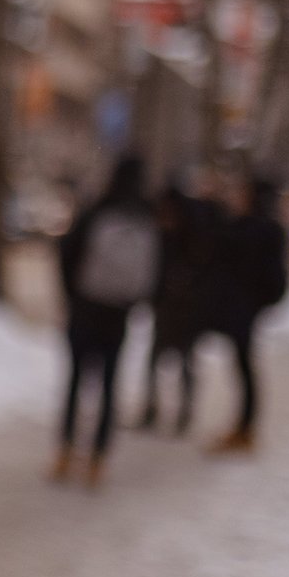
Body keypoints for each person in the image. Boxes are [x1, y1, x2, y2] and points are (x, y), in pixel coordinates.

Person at [53, 154, 157, 488]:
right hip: (118, 312)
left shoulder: (98, 209)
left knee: (76, 381)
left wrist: (72, 295)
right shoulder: (146, 216)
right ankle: (98, 459)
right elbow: (156, 270)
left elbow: (66, 252)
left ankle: (65, 451)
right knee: (110, 385)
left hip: (86, 307)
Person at [202, 173, 289, 454]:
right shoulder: (268, 229)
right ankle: (244, 427)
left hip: (241, 308)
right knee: (243, 365)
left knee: (243, 366)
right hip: (245, 307)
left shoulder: (248, 227)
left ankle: (245, 428)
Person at [139, 179, 213, 435]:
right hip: (166, 307)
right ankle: (153, 407)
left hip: (185, 309)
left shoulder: (189, 237)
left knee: (184, 362)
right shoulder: (164, 234)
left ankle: (183, 412)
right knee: (158, 361)